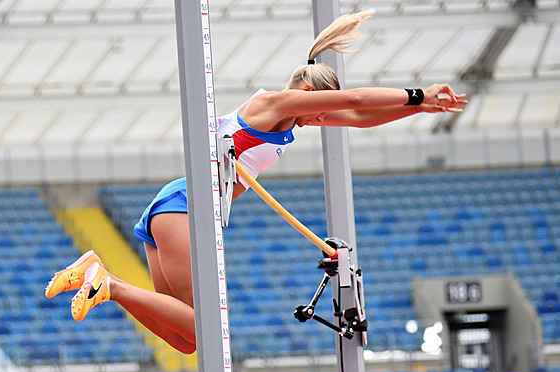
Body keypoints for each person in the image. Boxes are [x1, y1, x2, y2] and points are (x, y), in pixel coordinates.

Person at [44, 10, 467, 354]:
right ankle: (110, 283)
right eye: (316, 111)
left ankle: (102, 278)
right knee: (205, 325)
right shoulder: (272, 103)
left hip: (174, 207)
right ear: (305, 88)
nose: (317, 122)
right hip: (185, 207)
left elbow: (358, 118)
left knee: (187, 340)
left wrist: (419, 110)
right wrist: (416, 93)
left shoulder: (288, 119)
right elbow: (354, 100)